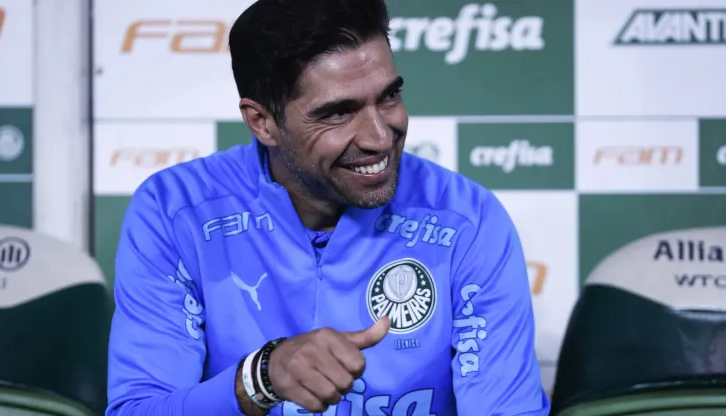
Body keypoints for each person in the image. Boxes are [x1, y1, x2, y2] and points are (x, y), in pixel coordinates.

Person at [105, 0, 551, 414]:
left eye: (389, 97)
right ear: (262, 121)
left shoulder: (467, 218)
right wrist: (259, 377)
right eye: (338, 113)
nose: (380, 136)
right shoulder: (175, 211)